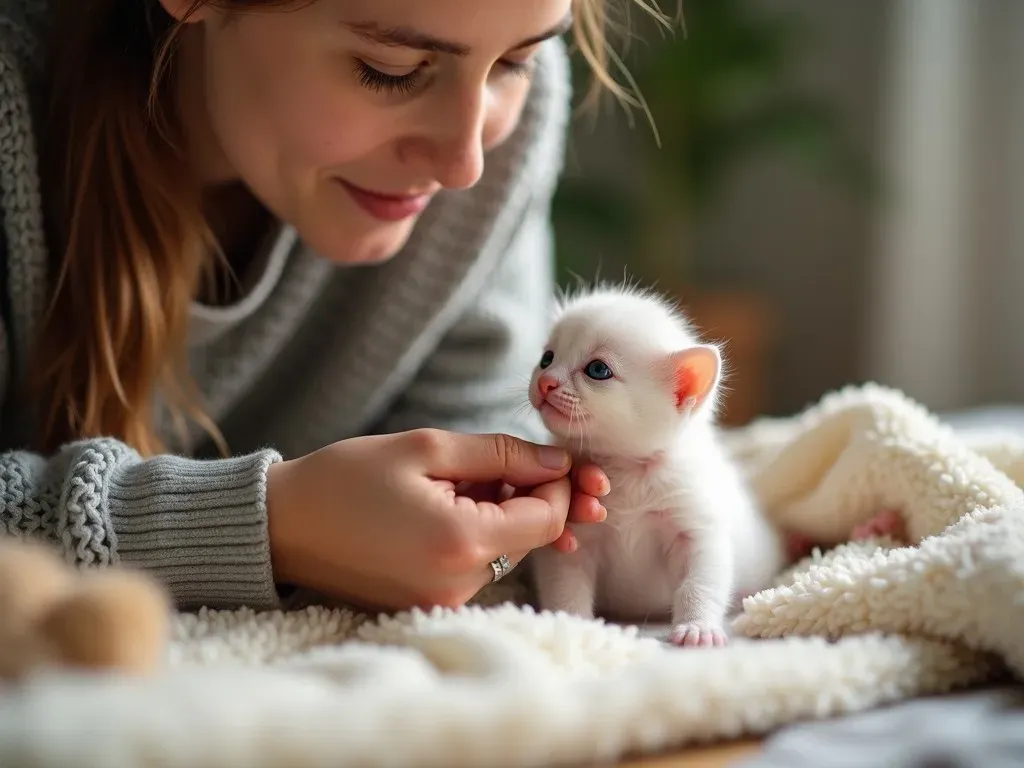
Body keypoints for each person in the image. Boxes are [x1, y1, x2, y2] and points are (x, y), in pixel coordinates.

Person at [0, 0, 659, 613]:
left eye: (516, 61)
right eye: (389, 69)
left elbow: (476, 442)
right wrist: (267, 525)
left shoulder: (506, 128)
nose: (464, 166)